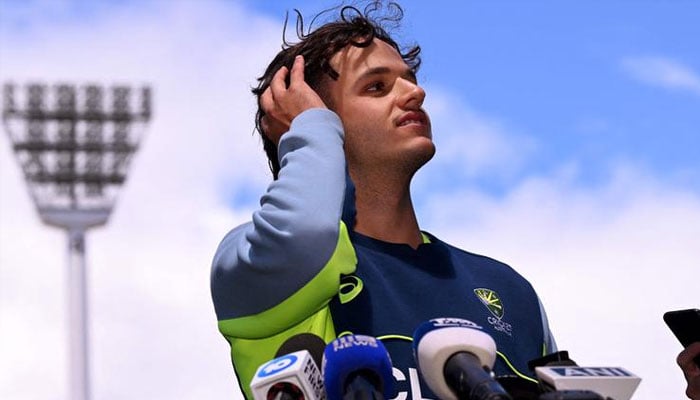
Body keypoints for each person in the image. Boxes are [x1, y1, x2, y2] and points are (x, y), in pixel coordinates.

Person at [210, 2, 557, 398]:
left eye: (409, 79)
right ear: (314, 123)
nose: (416, 92)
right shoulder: (252, 261)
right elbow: (305, 229)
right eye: (376, 86)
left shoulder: (508, 288)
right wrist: (308, 128)